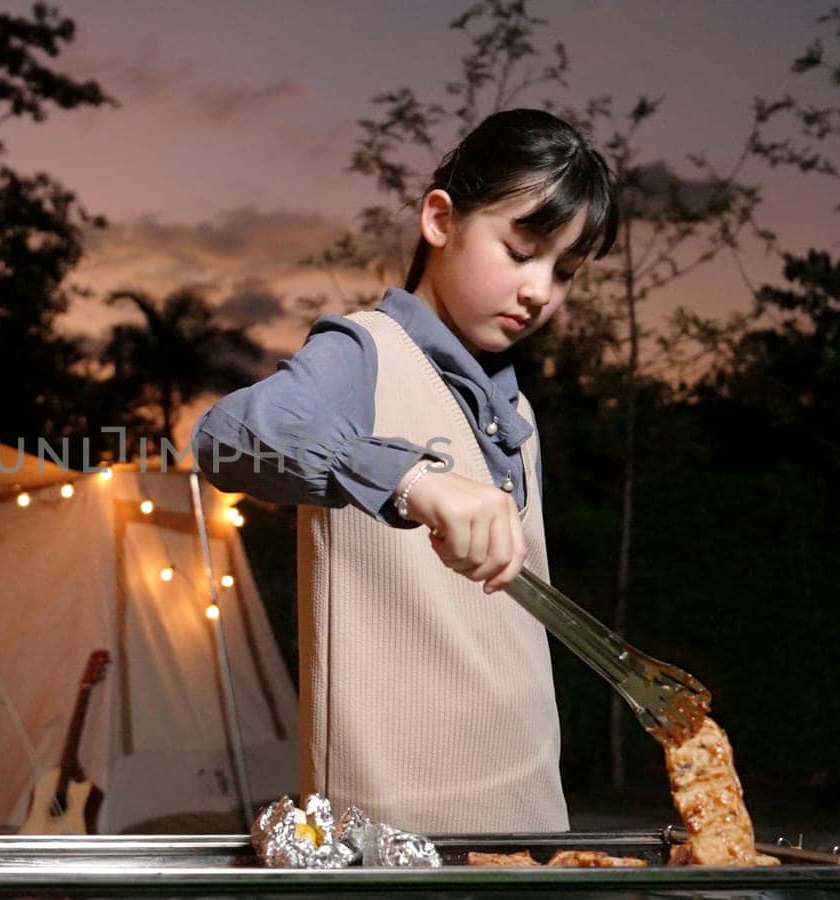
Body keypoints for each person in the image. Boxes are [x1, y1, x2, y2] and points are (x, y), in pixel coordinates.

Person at [193, 108, 617, 833]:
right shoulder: (364, 351)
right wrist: (412, 481)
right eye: (522, 251)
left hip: (532, 822)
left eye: (565, 271)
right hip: (393, 834)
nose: (540, 290)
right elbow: (228, 436)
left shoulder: (520, 415)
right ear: (440, 220)